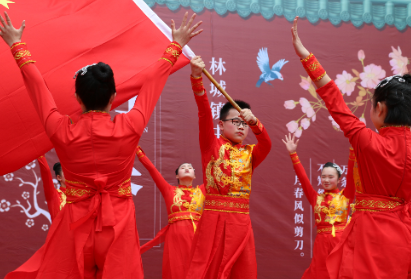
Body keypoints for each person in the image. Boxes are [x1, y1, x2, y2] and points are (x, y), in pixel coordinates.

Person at [1, 11, 202, 278]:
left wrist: (17, 46)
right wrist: (175, 46)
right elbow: (152, 83)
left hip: (75, 227)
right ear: (114, 97)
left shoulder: (60, 129)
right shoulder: (130, 126)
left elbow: (38, 89)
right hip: (117, 227)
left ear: (76, 97)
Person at [291, 16, 411, 279]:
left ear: (380, 109)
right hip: (405, 236)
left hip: (369, 236)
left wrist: (306, 57)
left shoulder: (367, 140)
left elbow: (334, 99)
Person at [185, 56, 272, 279]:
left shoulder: (250, 154)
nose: (242, 127)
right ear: (221, 124)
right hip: (213, 221)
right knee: (208, 271)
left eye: (244, 123)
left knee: (243, 272)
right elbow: (204, 113)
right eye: (236, 121)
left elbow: (267, 144)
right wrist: (196, 78)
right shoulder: (211, 146)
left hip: (241, 222)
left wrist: (256, 123)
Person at [282, 134, 353, 279]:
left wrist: (353, 150)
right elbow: (303, 179)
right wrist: (293, 154)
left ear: (339, 179)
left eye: (330, 177)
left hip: (340, 243)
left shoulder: (346, 196)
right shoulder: (316, 198)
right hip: (321, 244)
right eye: (323, 176)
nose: (326, 180)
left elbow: (352, 176)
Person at [136, 147, 205, 279]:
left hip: (198, 235)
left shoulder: (202, 190)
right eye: (183, 167)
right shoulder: (169, 190)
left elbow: (213, 171)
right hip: (176, 235)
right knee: (176, 269)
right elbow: (152, 170)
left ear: (195, 176)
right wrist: (138, 152)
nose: (186, 168)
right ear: (177, 175)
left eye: (190, 168)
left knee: (198, 269)